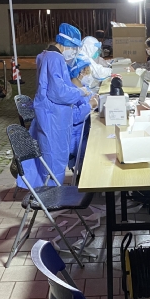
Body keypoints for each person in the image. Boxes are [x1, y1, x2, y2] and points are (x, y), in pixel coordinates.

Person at [18, 23, 92, 188]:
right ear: (66, 43)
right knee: (55, 159)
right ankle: (54, 194)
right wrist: (79, 92)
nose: (74, 51)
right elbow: (58, 92)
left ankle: (50, 189)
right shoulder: (55, 59)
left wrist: (78, 92)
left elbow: (58, 85)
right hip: (54, 117)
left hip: (48, 115)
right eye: (74, 47)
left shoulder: (45, 56)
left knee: (49, 158)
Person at [68, 57, 98, 171]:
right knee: (95, 150)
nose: (88, 76)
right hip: (76, 138)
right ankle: (82, 174)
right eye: (87, 73)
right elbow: (74, 117)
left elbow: (88, 99)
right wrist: (90, 105)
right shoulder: (71, 92)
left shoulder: (82, 88)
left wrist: (94, 99)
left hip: (83, 132)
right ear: (80, 73)